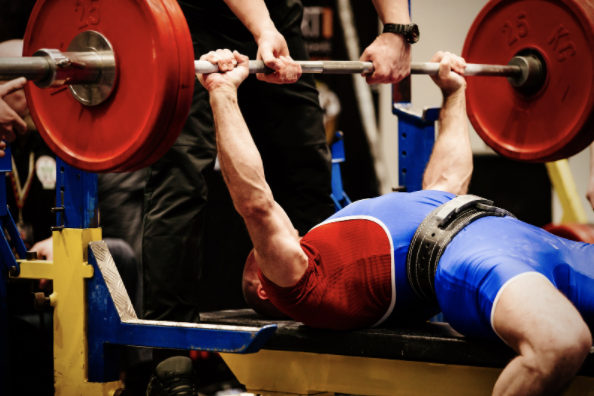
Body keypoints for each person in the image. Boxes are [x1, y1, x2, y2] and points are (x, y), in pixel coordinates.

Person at [191, 49, 593, 396]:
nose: (285, 235)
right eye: (259, 254)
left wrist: (454, 94)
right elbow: (256, 203)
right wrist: (223, 95)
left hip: (520, 234)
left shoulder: (345, 234)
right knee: (561, 344)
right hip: (471, 255)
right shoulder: (304, 286)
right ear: (265, 285)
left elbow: (446, 186)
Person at [142, 0, 414, 368]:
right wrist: (264, 29)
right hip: (193, 16)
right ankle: (171, 363)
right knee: (182, 180)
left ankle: (325, 339)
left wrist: (396, 30)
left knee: (306, 173)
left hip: (278, 13)